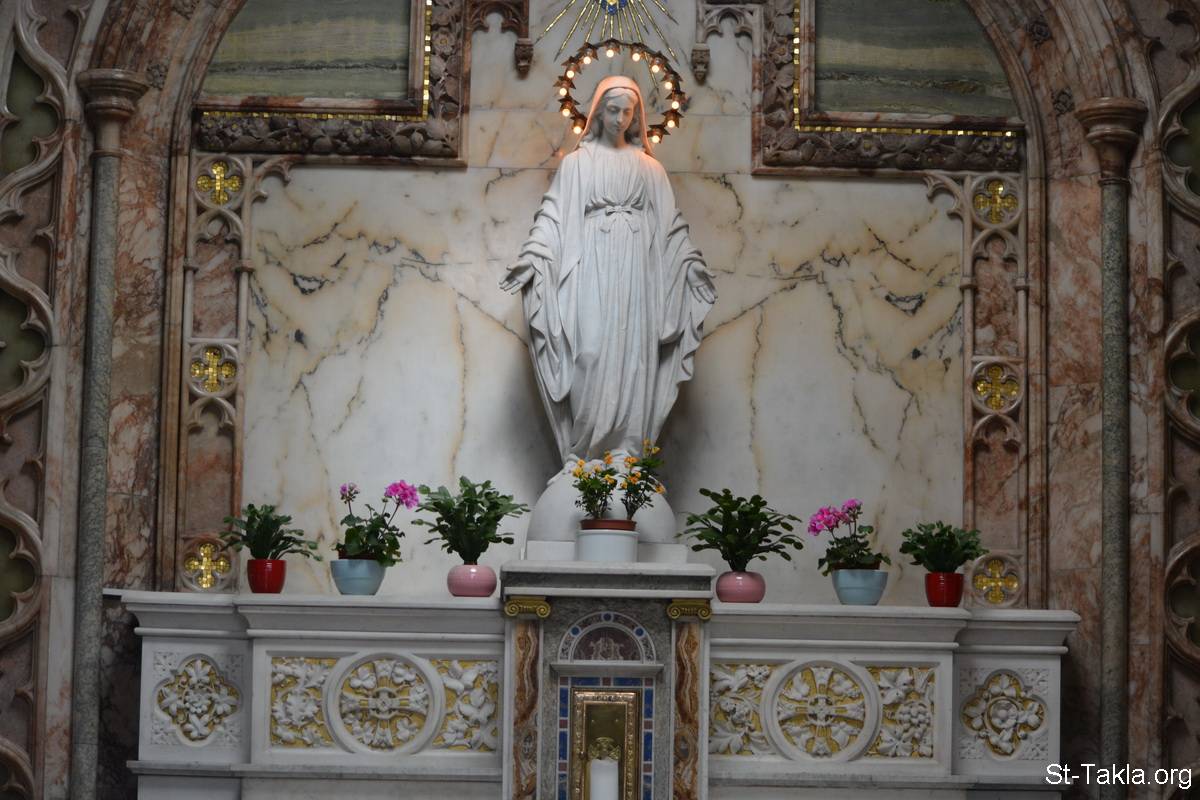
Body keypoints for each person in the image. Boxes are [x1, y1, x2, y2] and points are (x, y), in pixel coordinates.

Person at [501, 75, 716, 467]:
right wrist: (532, 257)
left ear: (637, 117)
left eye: (627, 112)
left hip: (637, 271)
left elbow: (672, 226)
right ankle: (584, 454)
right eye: (613, 110)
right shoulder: (577, 165)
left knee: (634, 357)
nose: (619, 119)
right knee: (590, 350)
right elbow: (551, 217)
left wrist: (691, 266)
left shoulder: (650, 169)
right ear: (598, 112)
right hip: (590, 266)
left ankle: (626, 452)